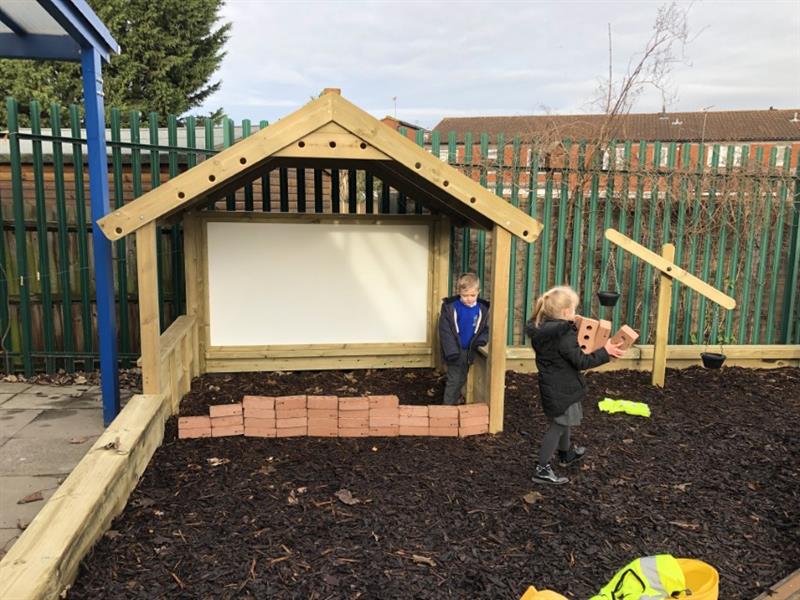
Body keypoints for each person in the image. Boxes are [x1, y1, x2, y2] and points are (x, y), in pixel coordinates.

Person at [525, 286, 625, 484]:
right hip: (562, 387)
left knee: (565, 421)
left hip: (557, 385)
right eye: (574, 309)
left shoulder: (544, 329)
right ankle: (542, 468)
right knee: (558, 425)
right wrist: (605, 351)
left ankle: (565, 454)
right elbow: (582, 362)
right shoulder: (563, 335)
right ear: (565, 312)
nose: (576, 313)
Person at [438, 273, 490, 405]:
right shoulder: (451, 307)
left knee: (462, 378)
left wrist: (481, 341)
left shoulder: (482, 308)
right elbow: (445, 331)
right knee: (454, 380)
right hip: (455, 351)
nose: (469, 299)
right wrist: (451, 351)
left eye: (473, 295)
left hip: (469, 350)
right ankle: (447, 407)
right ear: (459, 292)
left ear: (479, 292)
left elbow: (486, 328)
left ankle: (454, 399)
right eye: (465, 295)